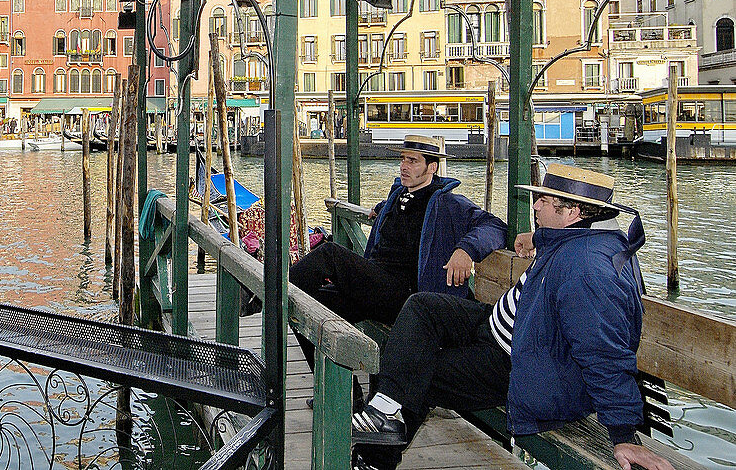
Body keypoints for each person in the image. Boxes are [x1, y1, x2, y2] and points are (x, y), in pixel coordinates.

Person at [352, 164, 673, 470]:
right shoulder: (582, 237)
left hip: (520, 363)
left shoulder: (588, 270)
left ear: (573, 212)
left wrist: (623, 433)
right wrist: (537, 238)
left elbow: (603, 352)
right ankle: (383, 413)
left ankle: (374, 457)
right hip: (507, 327)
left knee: (411, 367)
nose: (535, 206)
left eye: (544, 200)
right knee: (422, 307)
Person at [288, 134, 507, 401]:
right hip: (376, 286)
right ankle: (347, 398)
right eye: (403, 159)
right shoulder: (398, 196)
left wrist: (466, 250)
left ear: (432, 167)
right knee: (308, 308)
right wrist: (382, 208)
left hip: (406, 295)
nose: (404, 166)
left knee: (331, 254)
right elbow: (405, 213)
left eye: (413, 161)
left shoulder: (448, 203)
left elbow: (495, 226)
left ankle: (264, 296)